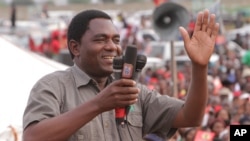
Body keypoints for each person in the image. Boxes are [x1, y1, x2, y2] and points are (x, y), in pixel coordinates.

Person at [22, 9, 219, 141]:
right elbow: (32, 137)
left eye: (116, 40)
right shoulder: (53, 86)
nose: (112, 47)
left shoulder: (133, 92)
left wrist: (199, 66)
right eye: (100, 39)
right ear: (75, 47)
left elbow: (190, 116)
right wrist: (99, 104)